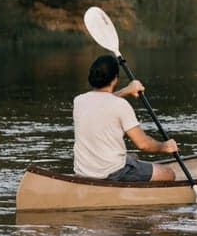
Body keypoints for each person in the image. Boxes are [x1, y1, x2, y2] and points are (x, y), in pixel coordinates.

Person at [73, 54, 178, 182]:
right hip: (113, 173)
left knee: (133, 157)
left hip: (83, 172)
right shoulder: (120, 105)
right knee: (169, 174)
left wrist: (128, 90)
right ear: (115, 79)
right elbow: (143, 144)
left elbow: (103, 101)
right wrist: (165, 146)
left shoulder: (79, 101)